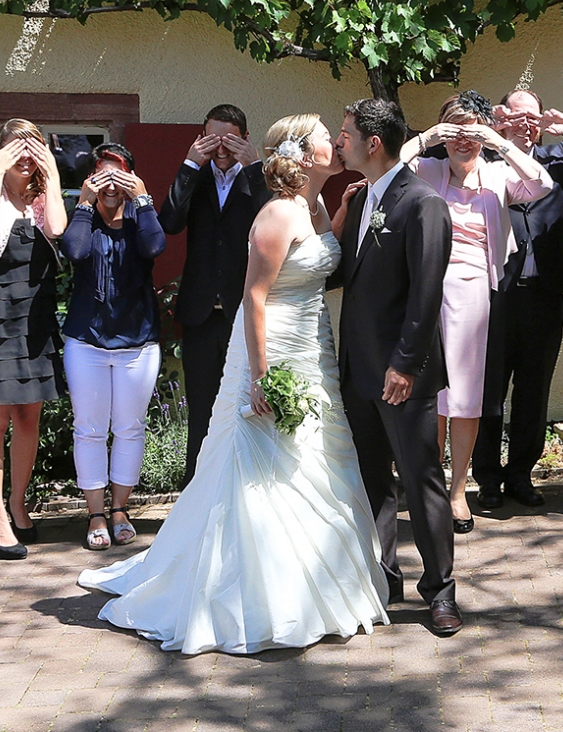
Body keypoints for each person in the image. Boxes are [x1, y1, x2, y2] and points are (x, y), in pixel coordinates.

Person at [78, 114, 388, 653]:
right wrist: (261, 376)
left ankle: (313, 581)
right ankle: (250, 594)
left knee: (313, 457)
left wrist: (339, 216)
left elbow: (320, 265)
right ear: (302, 153)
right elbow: (255, 297)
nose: (336, 143)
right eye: (326, 137)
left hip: (313, 348)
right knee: (256, 461)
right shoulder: (277, 213)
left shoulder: (314, 206)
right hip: (271, 351)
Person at [332, 98, 462, 635]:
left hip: (401, 373)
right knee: (371, 482)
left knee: (420, 477)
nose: (339, 142)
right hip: (358, 369)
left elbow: (425, 293)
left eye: (345, 134)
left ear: (373, 143)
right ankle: (384, 580)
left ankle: (441, 591)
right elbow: (347, 275)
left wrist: (405, 365)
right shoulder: (363, 198)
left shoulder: (423, 203)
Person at [398, 90, 553, 532]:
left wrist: (498, 141)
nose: (463, 139)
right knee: (431, 396)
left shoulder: (499, 173)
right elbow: (390, 169)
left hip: (475, 294)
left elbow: (542, 184)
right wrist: (428, 137)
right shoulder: (427, 170)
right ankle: (431, 486)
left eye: (472, 131)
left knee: (465, 398)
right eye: (455, 130)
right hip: (427, 290)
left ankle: (458, 490)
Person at [471, 90, 563, 512]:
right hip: (495, 295)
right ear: (503, 117)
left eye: (533, 117)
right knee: (489, 391)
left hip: (545, 294)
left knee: (534, 392)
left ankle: (521, 474)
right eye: (518, 116)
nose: (527, 124)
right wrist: (493, 130)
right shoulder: (483, 158)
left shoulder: (556, 157)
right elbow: (441, 154)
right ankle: (487, 478)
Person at [0, 119, 68, 559]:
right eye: (16, 148)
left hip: (36, 314)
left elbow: (58, 229)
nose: (25, 156)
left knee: (29, 416)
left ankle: (17, 503)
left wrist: (53, 173)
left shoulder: (43, 198)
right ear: (0, 151)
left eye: (33, 148)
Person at [57, 143, 165, 551]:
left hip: (137, 342)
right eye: (102, 175)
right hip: (87, 340)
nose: (110, 185)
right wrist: (84, 205)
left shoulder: (140, 219)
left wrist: (143, 199)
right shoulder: (85, 219)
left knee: (129, 428)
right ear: (90, 180)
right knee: (89, 429)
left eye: (119, 176)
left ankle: (120, 509)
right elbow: (75, 250)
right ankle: (95, 514)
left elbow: (155, 247)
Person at [157, 104, 270, 485]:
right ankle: (197, 488)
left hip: (243, 313)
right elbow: (170, 221)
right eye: (212, 139)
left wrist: (254, 167)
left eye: (230, 140)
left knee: (247, 405)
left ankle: (244, 487)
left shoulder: (257, 178)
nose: (220, 149)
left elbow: (272, 220)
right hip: (201, 313)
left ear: (245, 139)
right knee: (202, 407)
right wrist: (191, 163)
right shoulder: (196, 177)